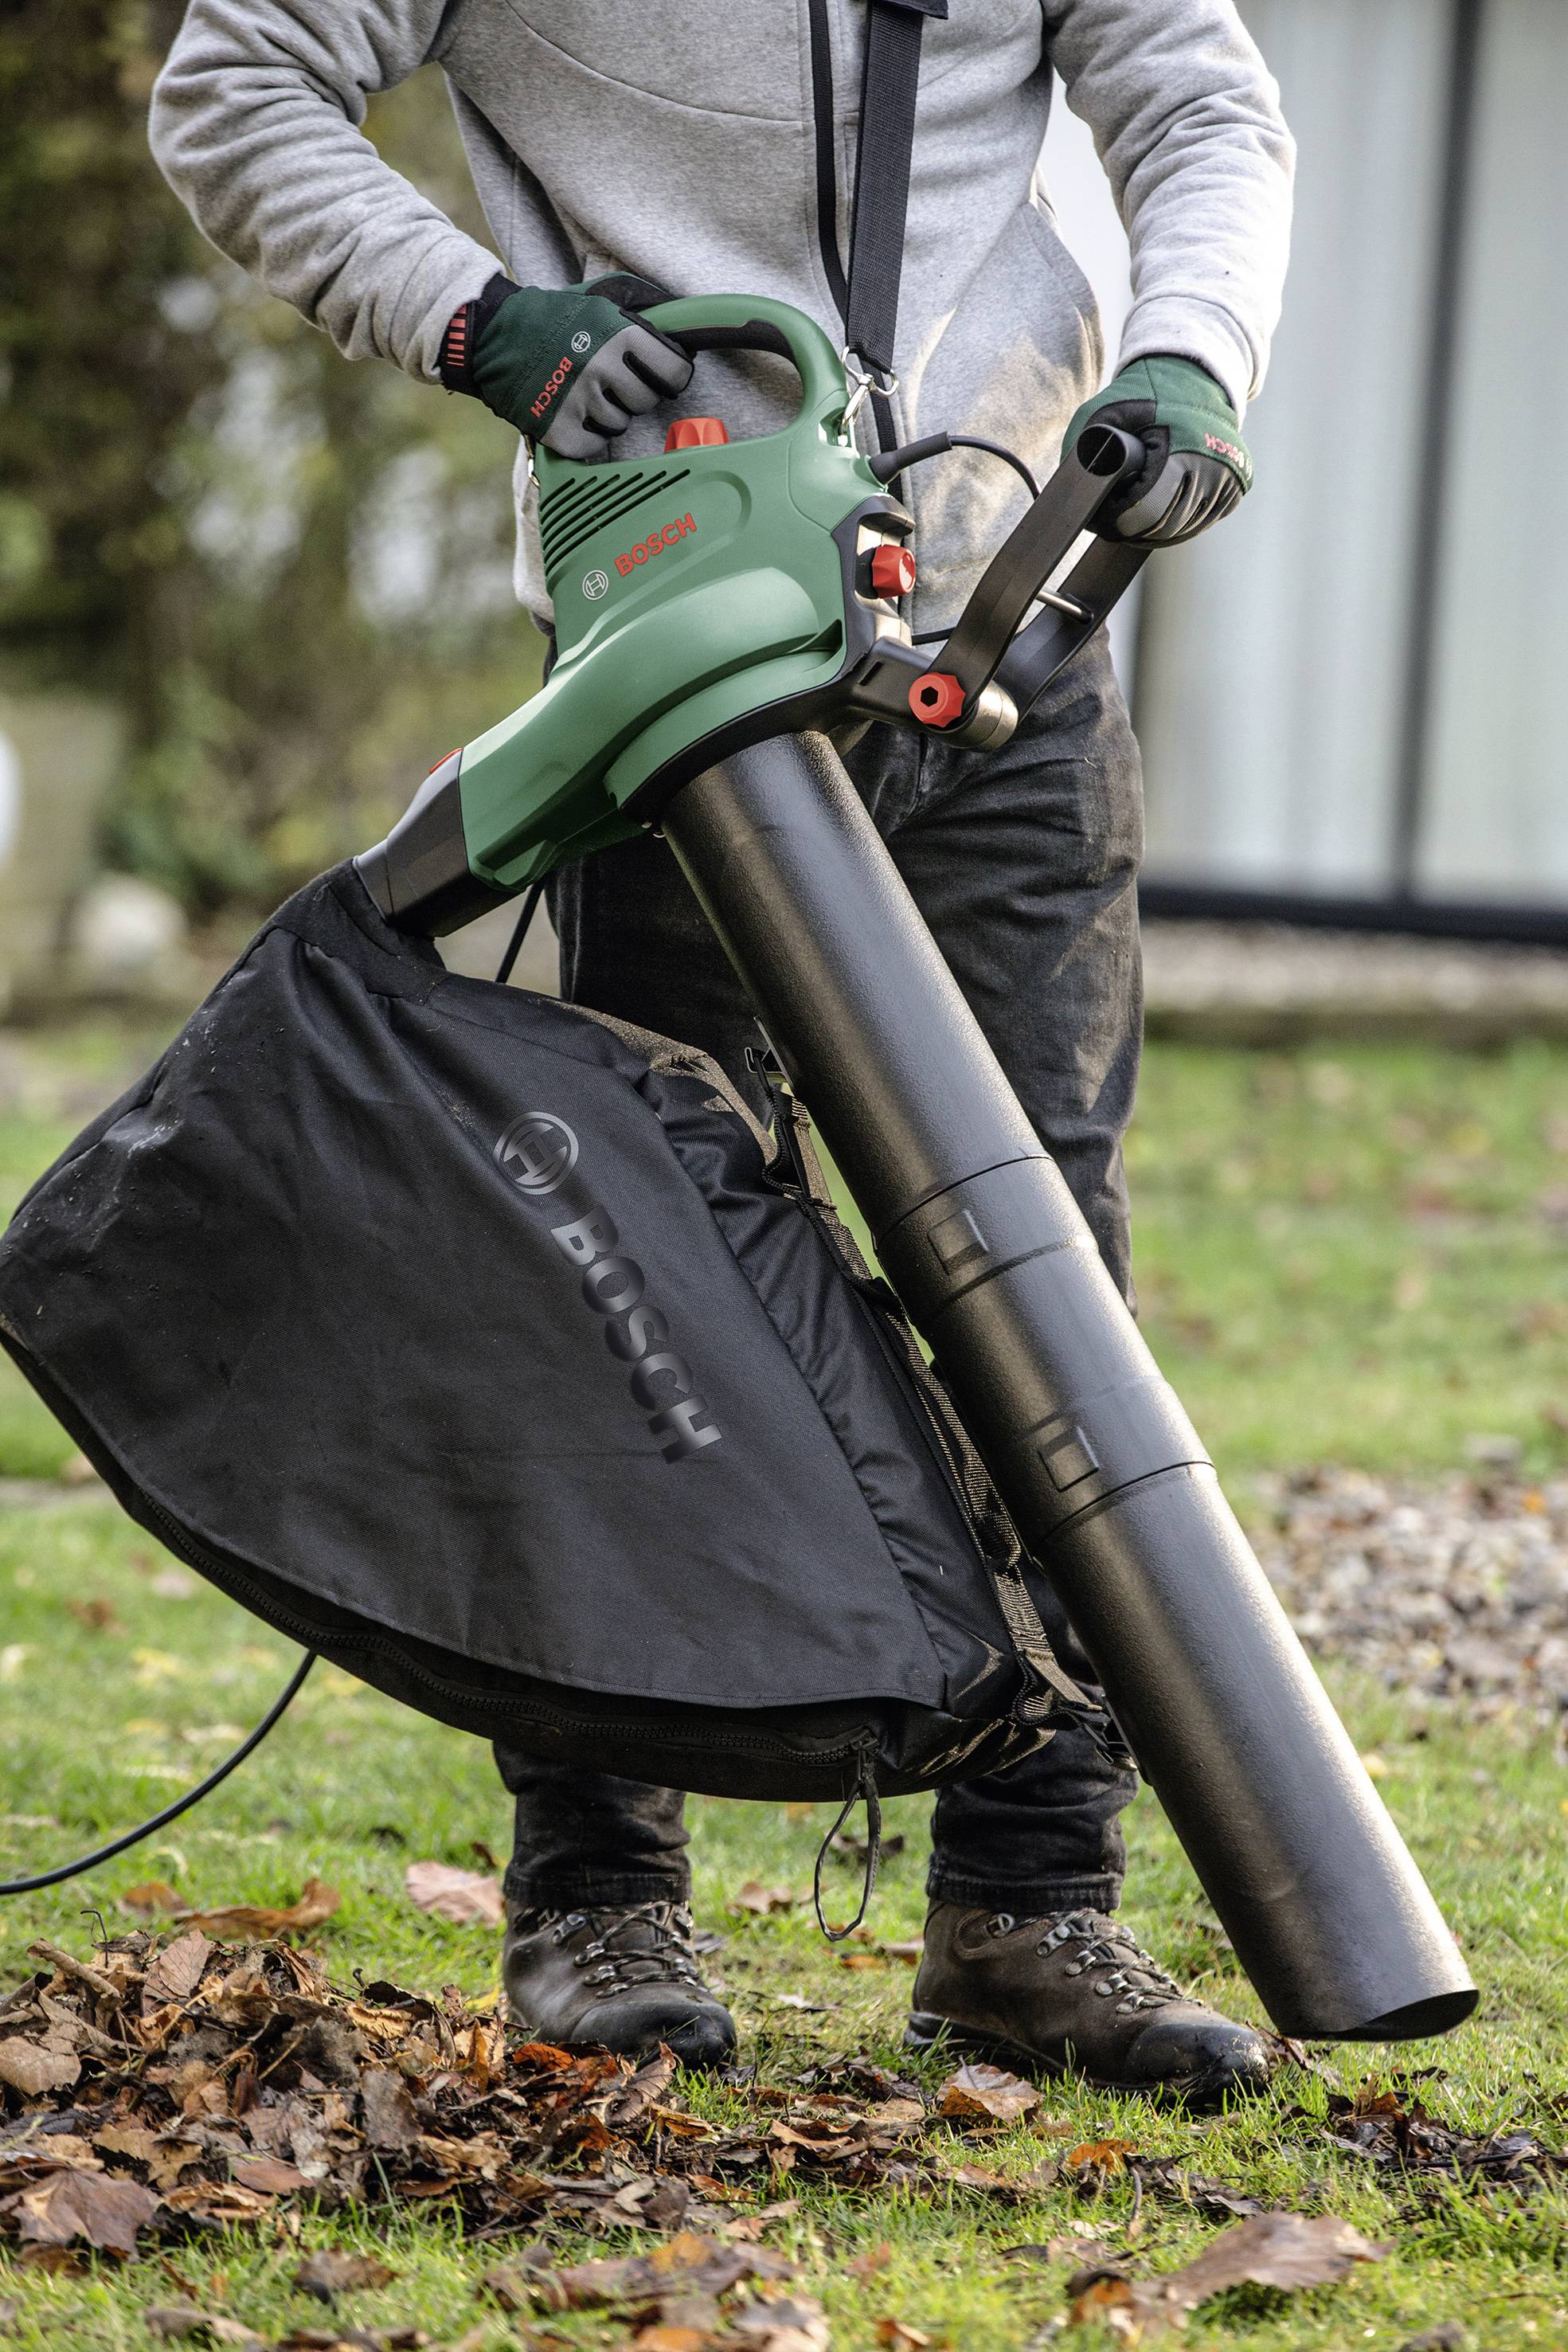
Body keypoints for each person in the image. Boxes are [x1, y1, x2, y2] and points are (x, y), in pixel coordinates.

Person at [151, 0, 1294, 2100]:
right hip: (679, 636)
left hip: (999, 618)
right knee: (632, 1257)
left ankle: (1029, 1912)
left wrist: (1188, 349)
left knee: (1044, 1267)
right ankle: (598, 1895)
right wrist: (489, 322)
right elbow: (232, 83)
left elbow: (1195, 94)